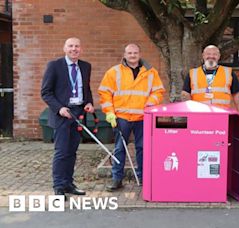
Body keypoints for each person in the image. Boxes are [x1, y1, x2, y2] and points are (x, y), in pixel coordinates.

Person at [98, 43, 165, 191]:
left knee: (143, 148)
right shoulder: (114, 72)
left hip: (143, 117)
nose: (132, 56)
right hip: (121, 117)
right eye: (129, 53)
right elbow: (105, 93)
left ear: (139, 54)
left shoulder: (150, 72)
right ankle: (117, 179)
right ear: (125, 55)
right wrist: (109, 112)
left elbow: (158, 91)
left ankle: (143, 177)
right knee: (119, 148)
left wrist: (150, 103)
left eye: (135, 53)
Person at [41, 37, 94, 197]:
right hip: (63, 114)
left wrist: (89, 103)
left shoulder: (85, 66)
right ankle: (58, 186)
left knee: (72, 151)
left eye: (77, 46)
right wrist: (60, 108)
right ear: (65, 48)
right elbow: (46, 92)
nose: (74, 49)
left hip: (78, 113)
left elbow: (86, 88)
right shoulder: (54, 66)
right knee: (62, 151)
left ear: (81, 49)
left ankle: (68, 184)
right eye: (70, 46)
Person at [181, 45, 239, 112]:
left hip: (222, 115)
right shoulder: (192, 73)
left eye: (214, 54)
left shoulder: (229, 73)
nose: (211, 56)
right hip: (198, 115)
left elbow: (237, 95)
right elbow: (185, 94)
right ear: (203, 56)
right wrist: (189, 111)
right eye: (208, 54)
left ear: (219, 56)